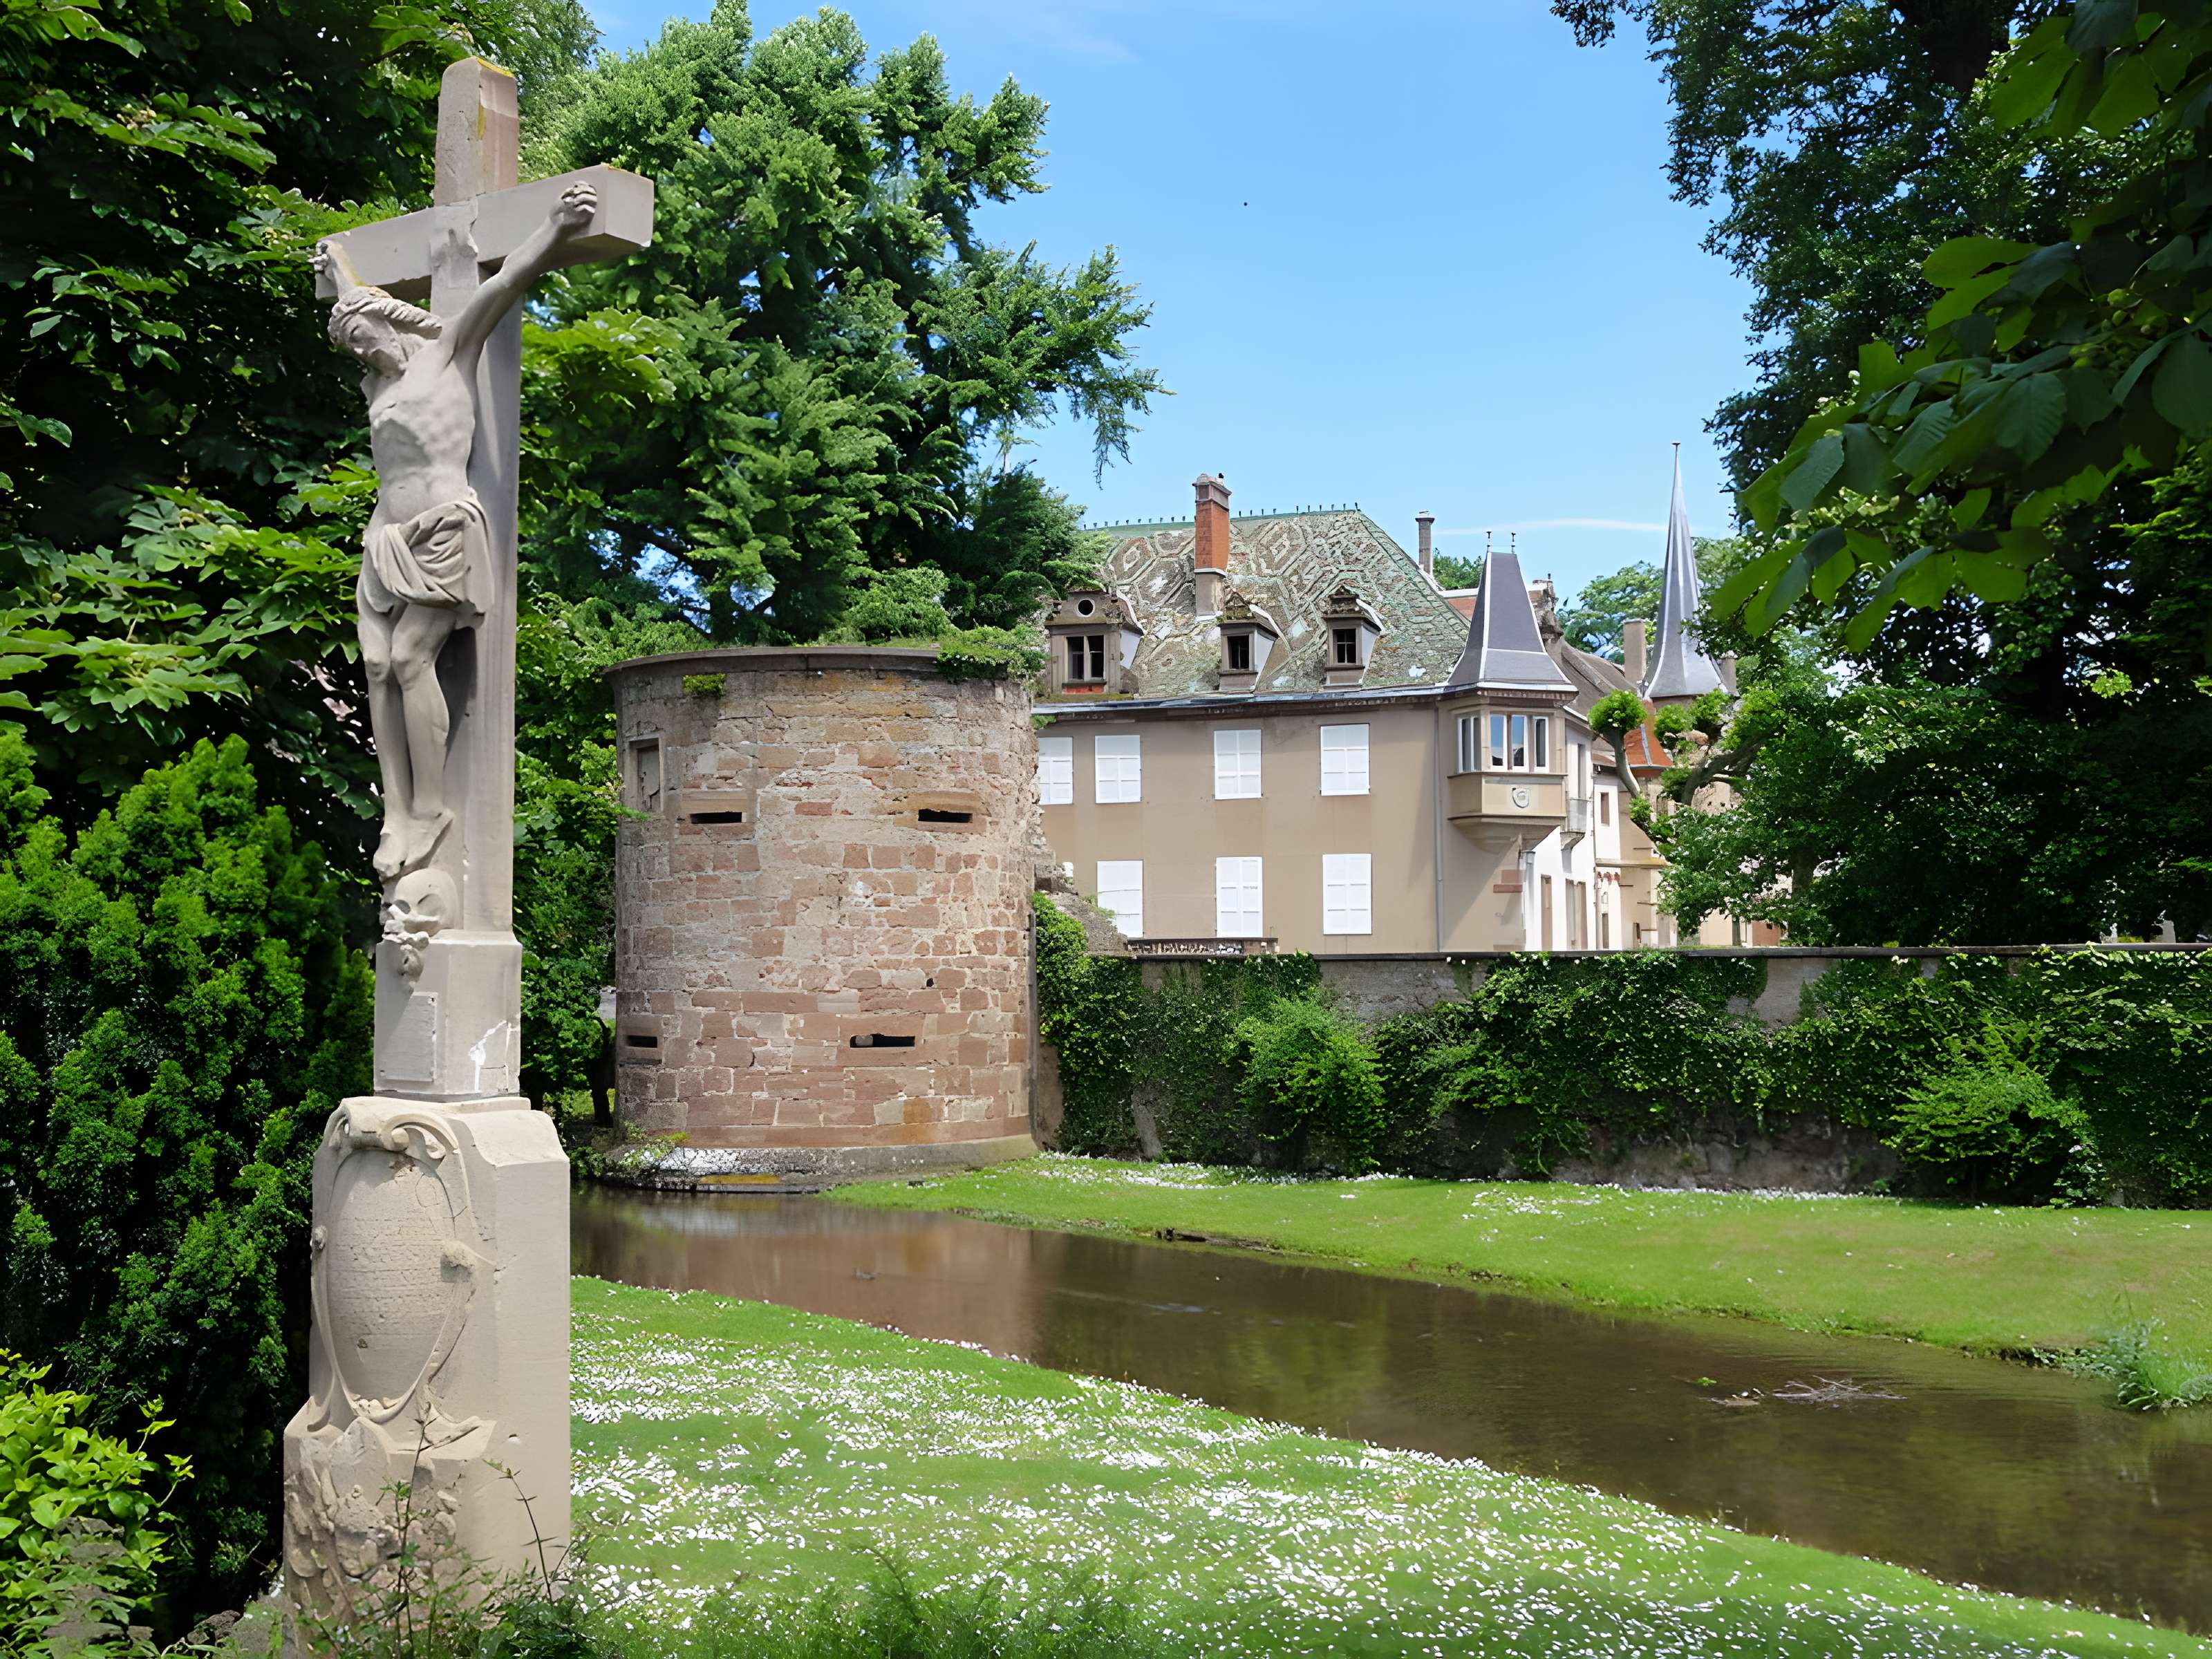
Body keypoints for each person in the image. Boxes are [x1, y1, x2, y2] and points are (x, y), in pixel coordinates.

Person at [314, 180, 599, 880]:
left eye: (363, 339)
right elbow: (353, 304)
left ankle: (430, 807)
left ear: (389, 324)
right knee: (376, 668)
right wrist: (339, 269)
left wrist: (558, 227)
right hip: (386, 537)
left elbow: (503, 283)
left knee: (410, 657)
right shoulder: (380, 390)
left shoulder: (447, 354)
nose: (362, 353)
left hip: (443, 529)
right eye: (351, 348)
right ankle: (396, 809)